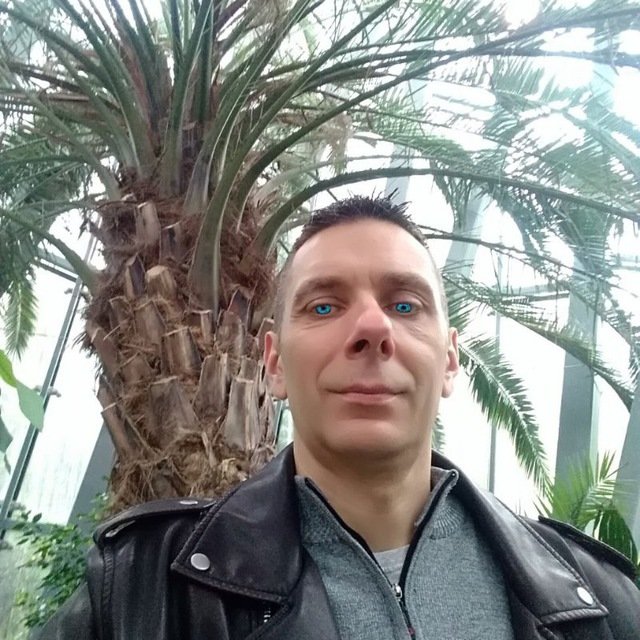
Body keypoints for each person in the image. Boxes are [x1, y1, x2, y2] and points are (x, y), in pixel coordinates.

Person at [39, 195, 640, 639]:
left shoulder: (599, 600)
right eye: (324, 306)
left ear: (450, 361)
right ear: (273, 363)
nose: (372, 328)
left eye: (405, 304)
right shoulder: (143, 590)